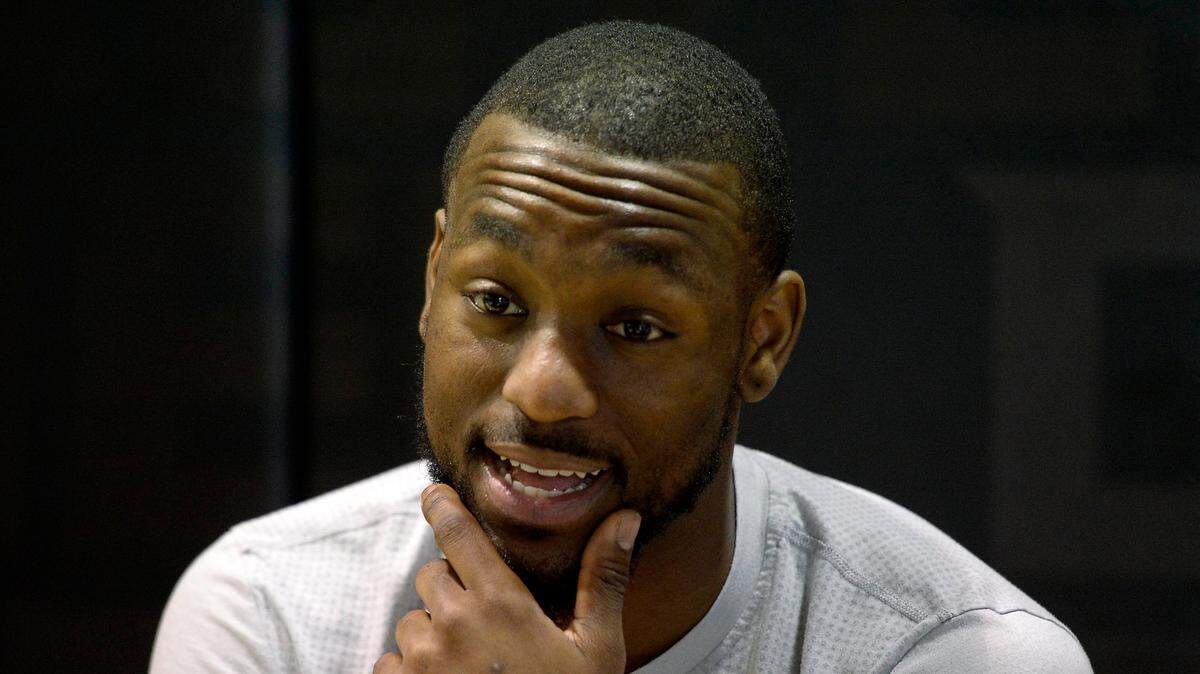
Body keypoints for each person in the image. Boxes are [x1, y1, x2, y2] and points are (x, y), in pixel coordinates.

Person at [150, 21, 1092, 673]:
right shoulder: (271, 613)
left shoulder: (948, 652)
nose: (545, 387)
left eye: (634, 328)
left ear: (763, 340)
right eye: (495, 300)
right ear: (432, 278)